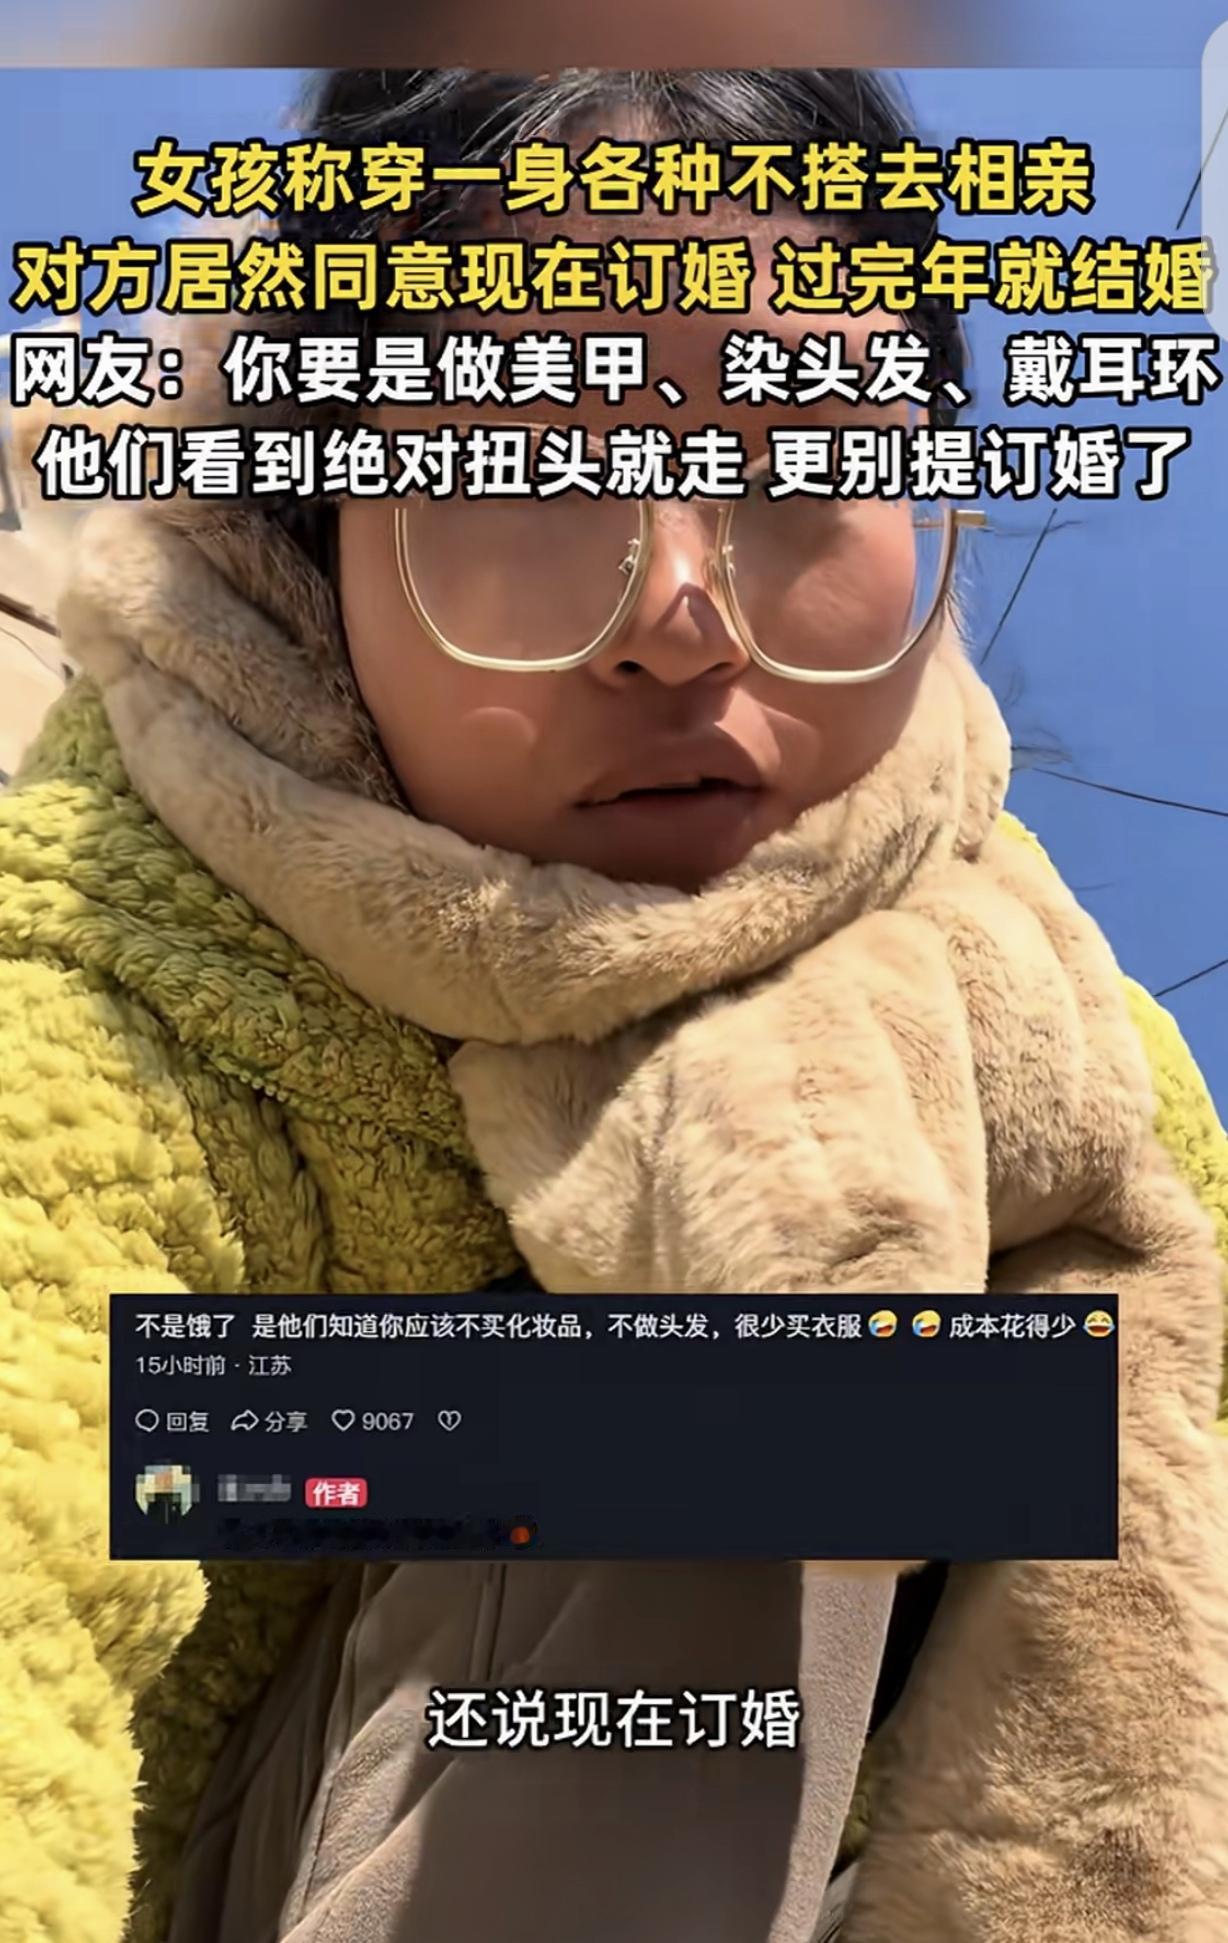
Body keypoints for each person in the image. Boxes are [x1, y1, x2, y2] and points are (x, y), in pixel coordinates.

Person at [2, 65, 1228, 1943]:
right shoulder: (119, 950)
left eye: (803, 461)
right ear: (315, 543)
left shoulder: (1050, 1012)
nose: (678, 613)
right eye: (527, 468)